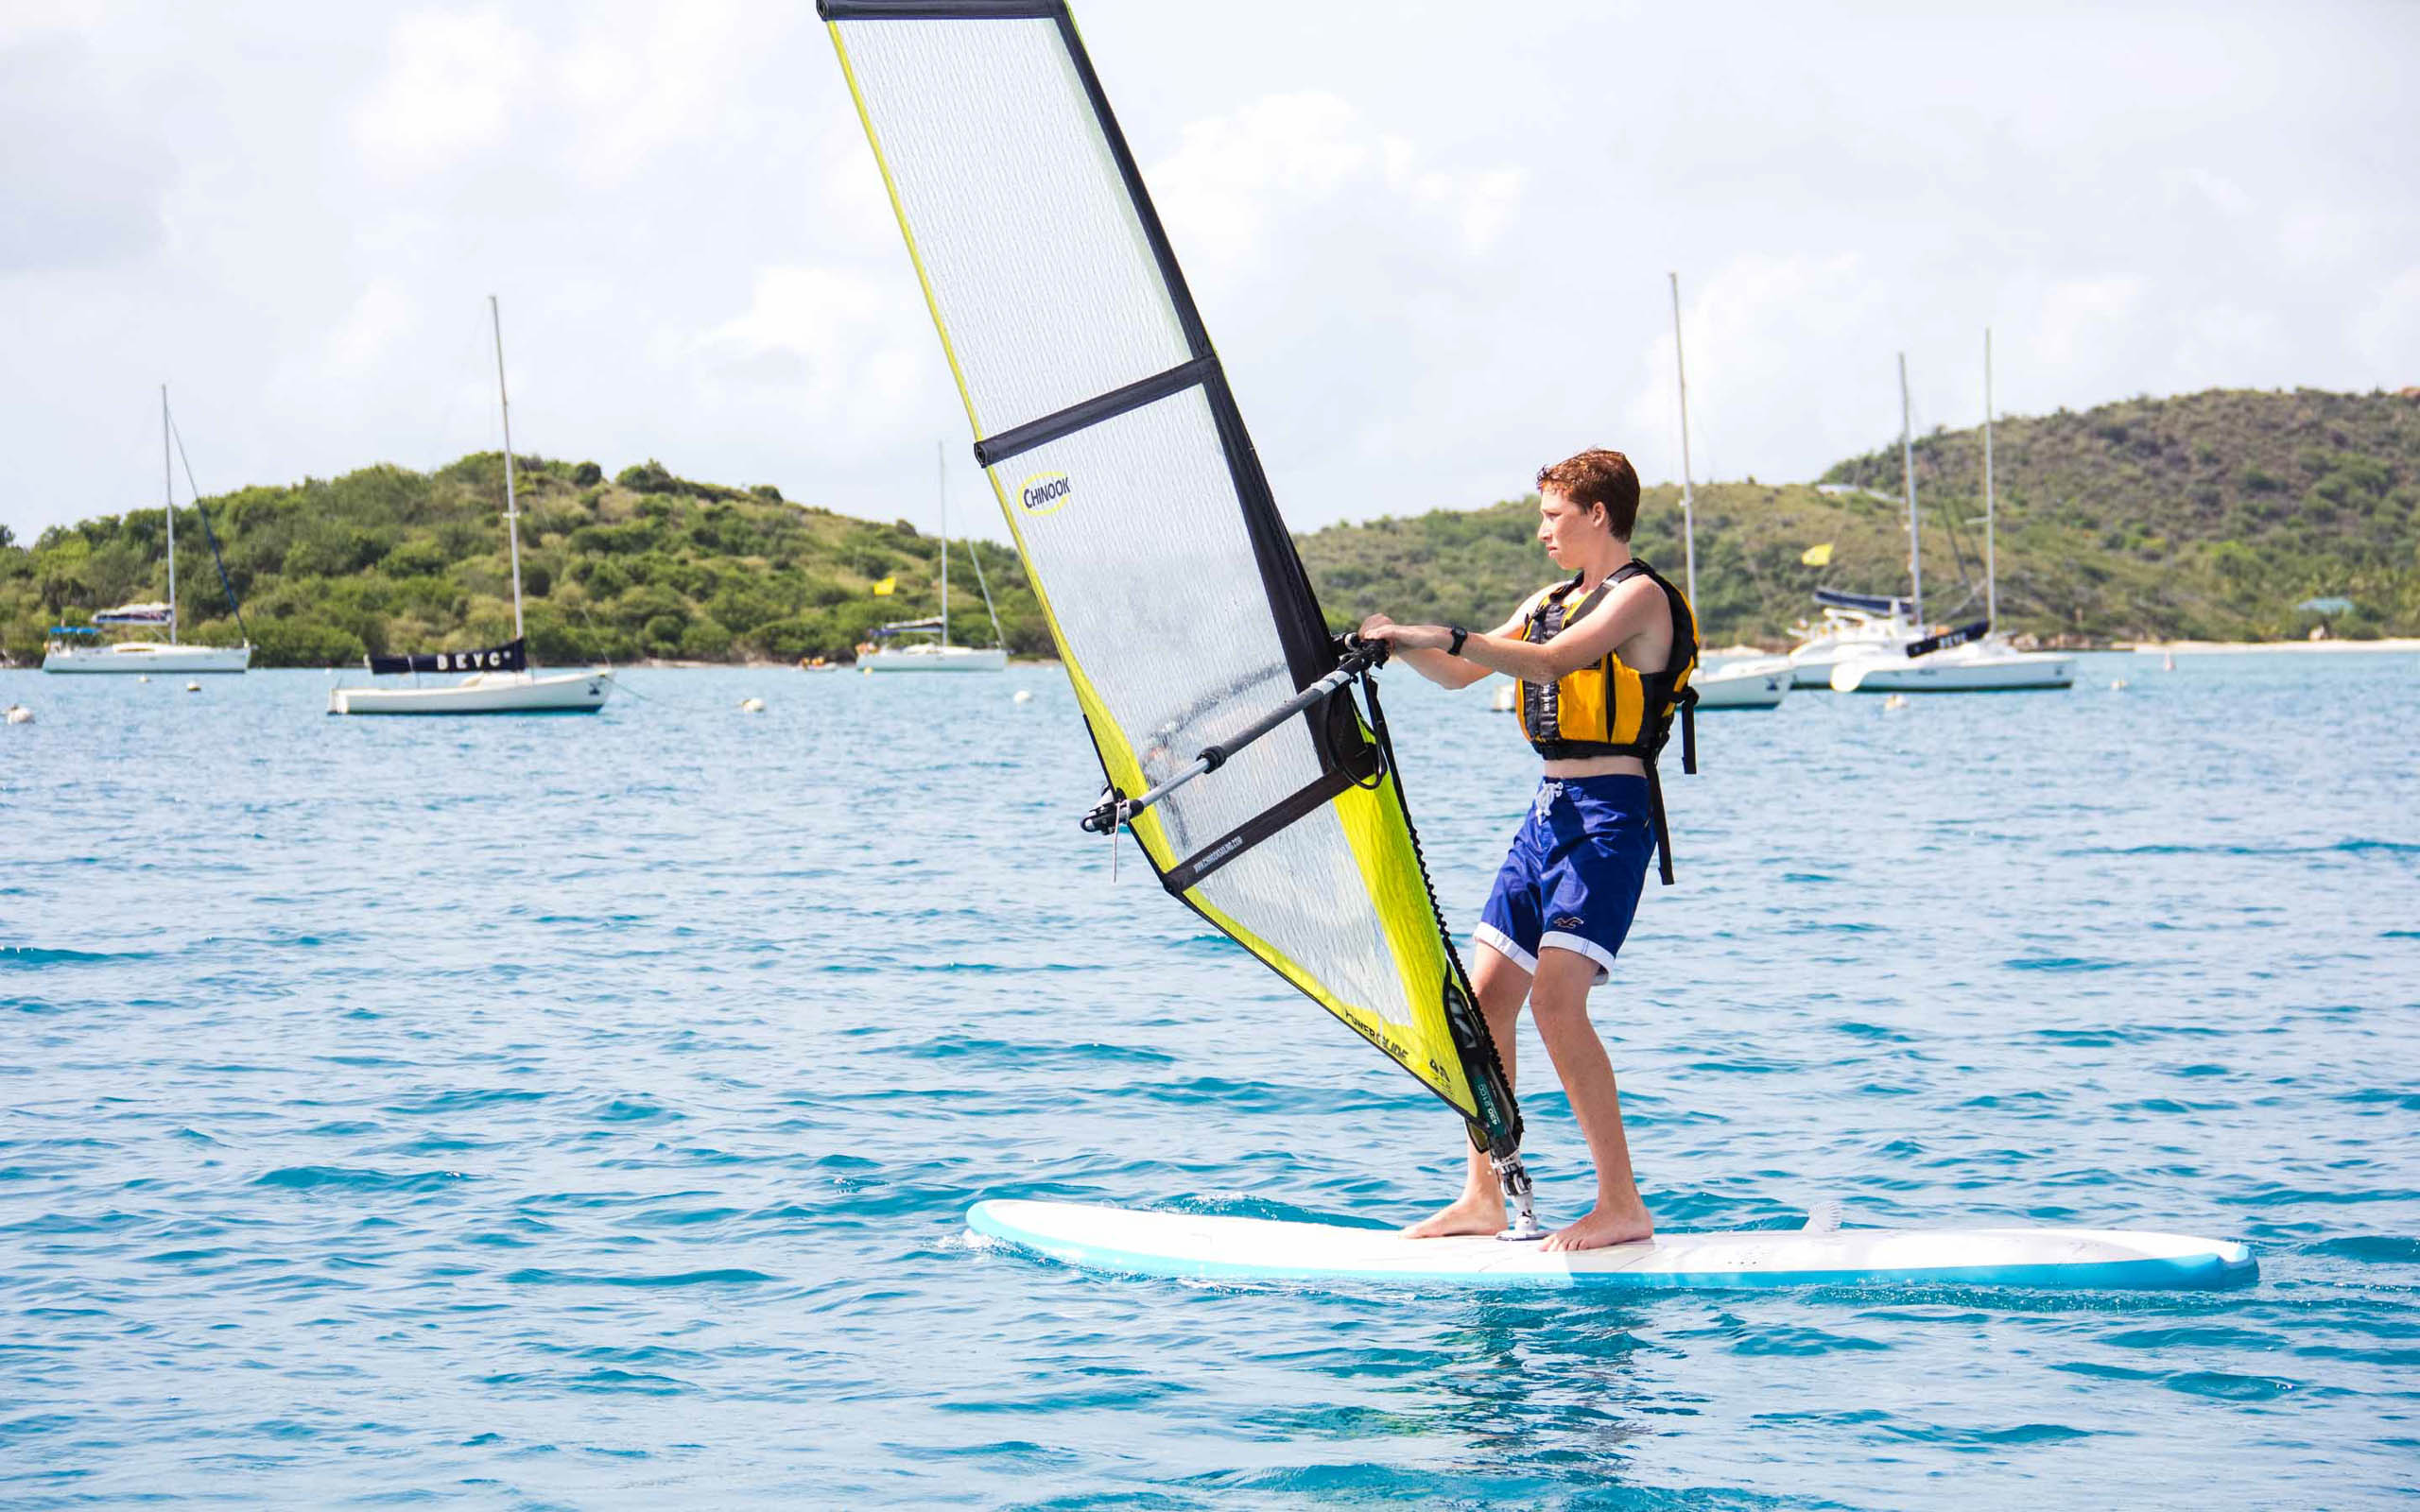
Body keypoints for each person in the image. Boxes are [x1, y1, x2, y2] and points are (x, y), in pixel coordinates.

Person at [1357, 448, 1697, 1252]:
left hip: (1610, 815)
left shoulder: (1639, 597)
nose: (1543, 529)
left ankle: (1621, 1202)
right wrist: (1391, 642)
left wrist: (1437, 630)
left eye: (1554, 515)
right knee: (1481, 1004)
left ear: (1598, 516)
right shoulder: (1547, 600)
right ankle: (1483, 1196)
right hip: (1546, 811)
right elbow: (1455, 673)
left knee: (1555, 1001)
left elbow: (1552, 663)